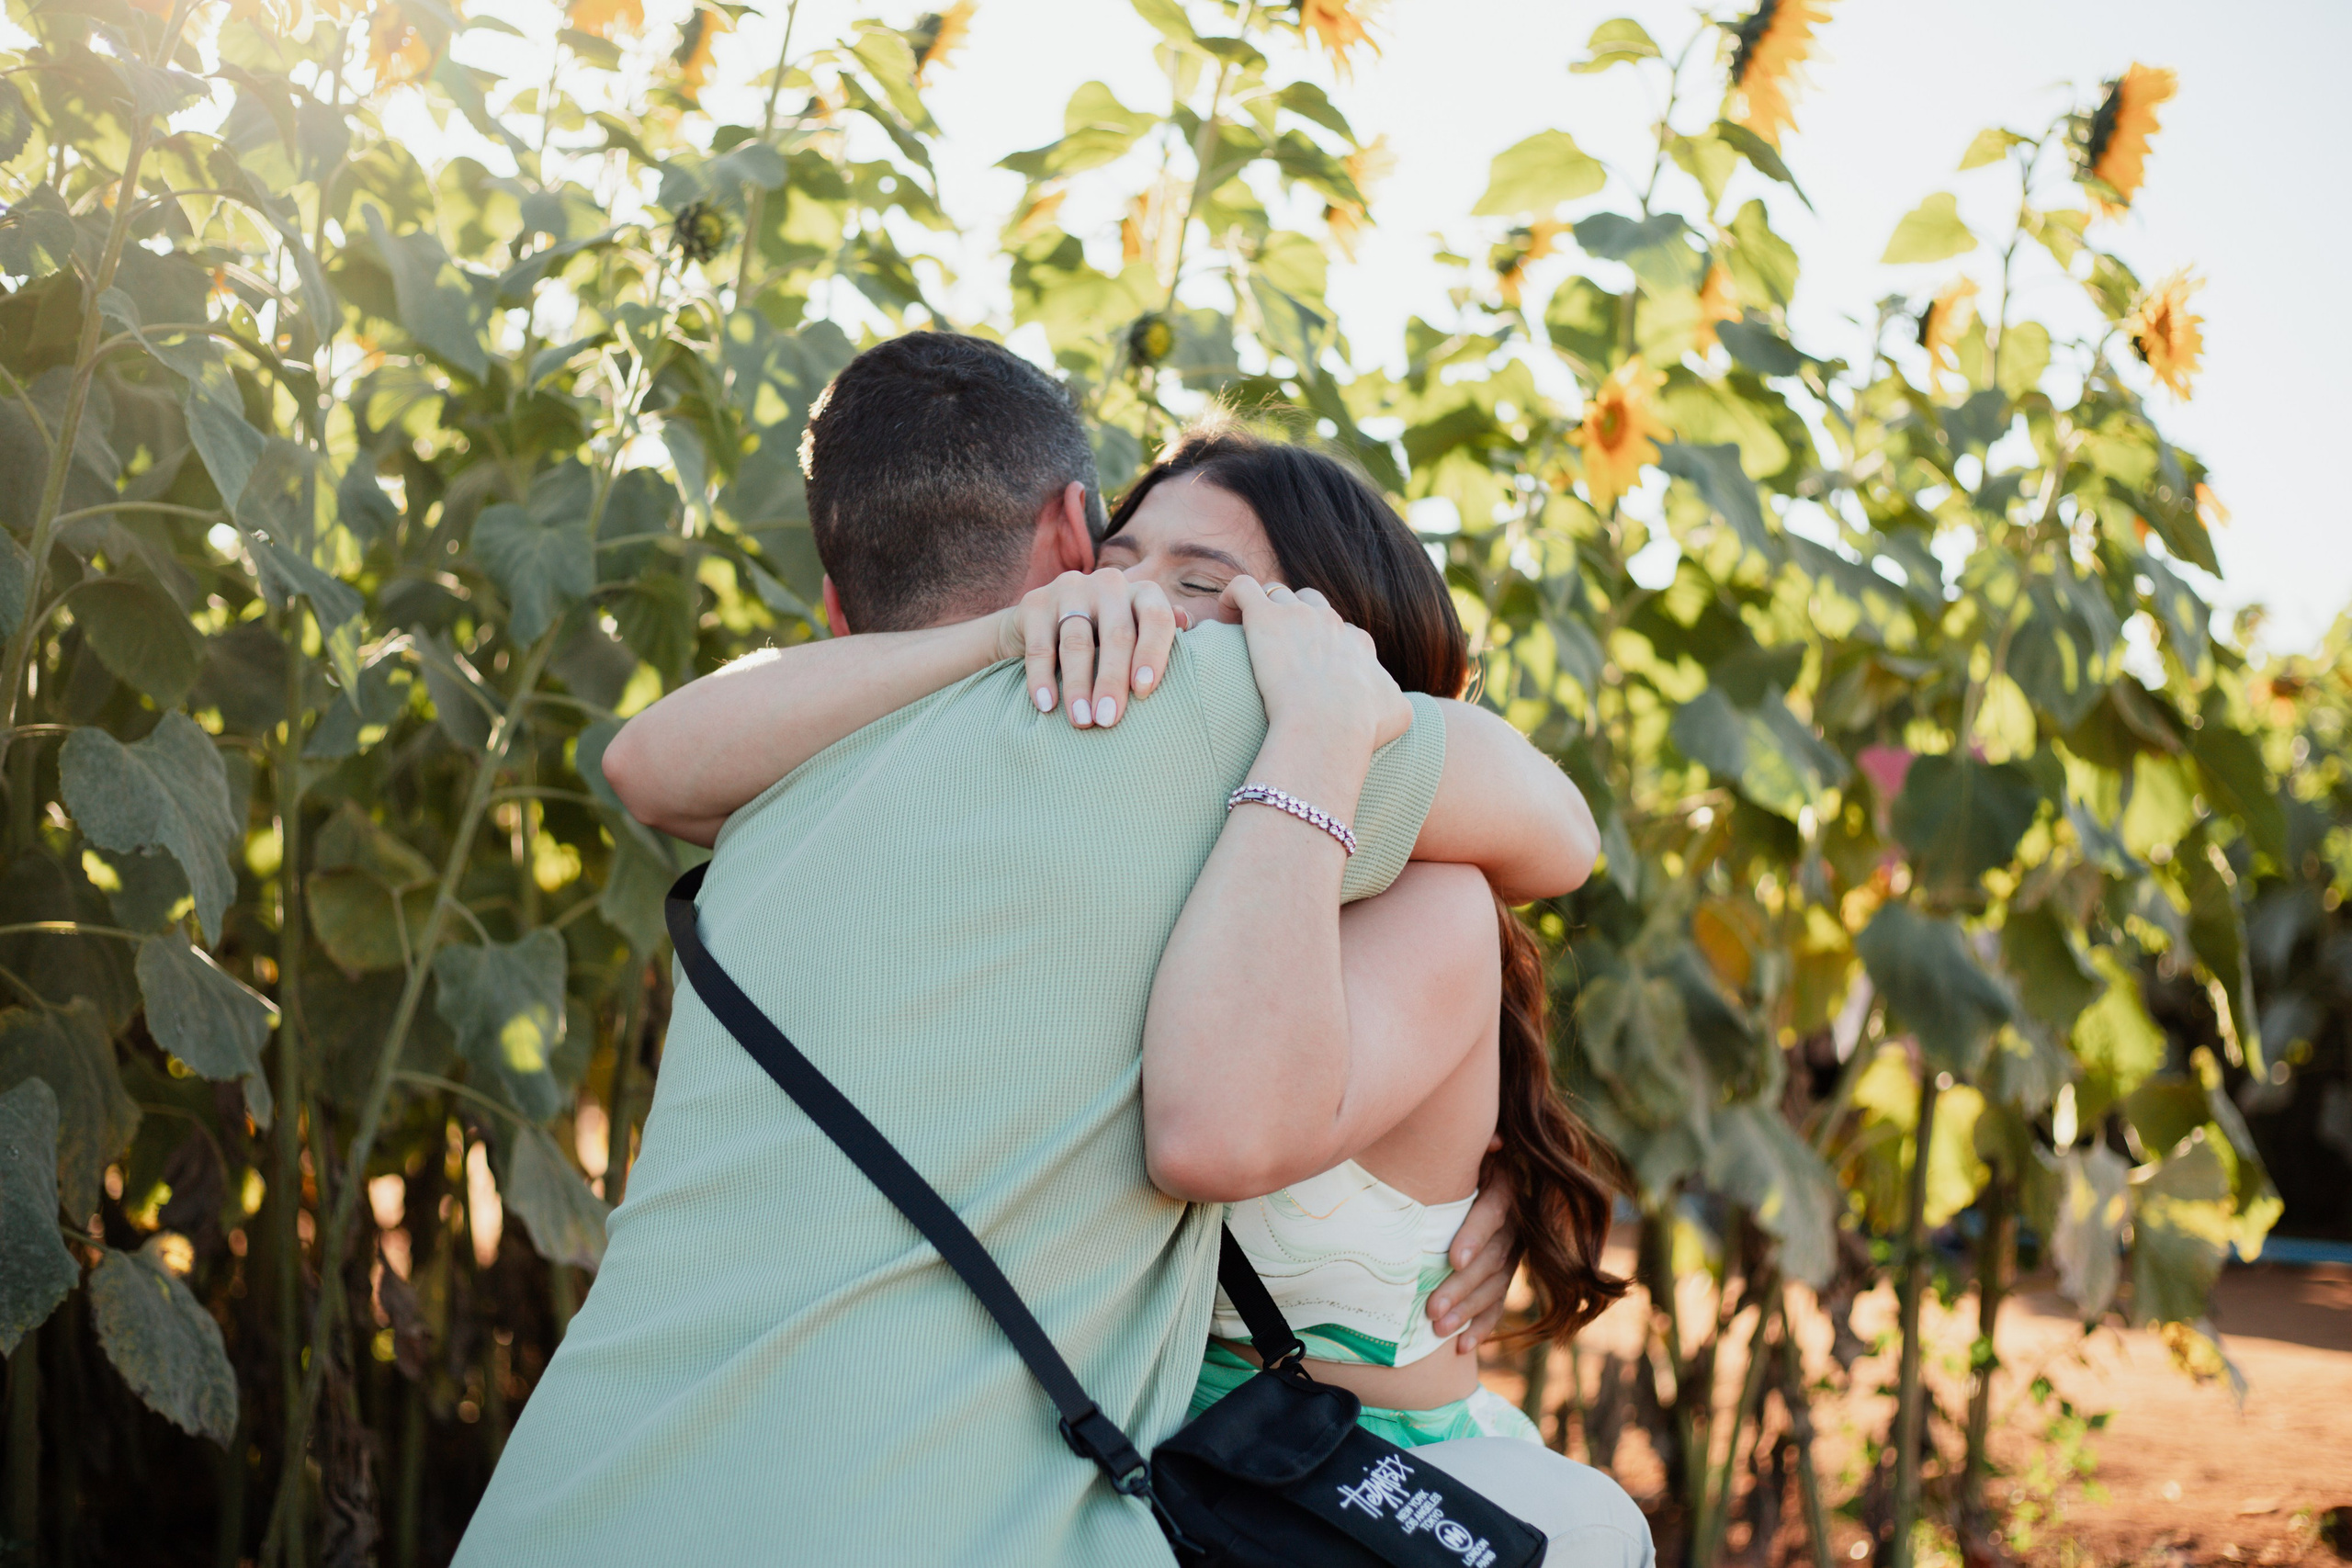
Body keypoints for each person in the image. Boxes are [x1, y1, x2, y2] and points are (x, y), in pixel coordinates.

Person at [455, 333, 1590, 1567]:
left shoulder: (1241, 733)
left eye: (1204, 583)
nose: (1143, 604)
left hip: (1310, 1499)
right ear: (1068, 547)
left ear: (1334, 636)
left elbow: (647, 764)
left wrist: (1321, 724)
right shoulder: (1136, 781)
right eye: (1118, 560)